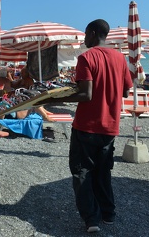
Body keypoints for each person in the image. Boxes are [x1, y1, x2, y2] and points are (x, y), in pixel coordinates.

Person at [35, 19, 133, 233]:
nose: (84, 39)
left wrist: (49, 99)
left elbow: (86, 94)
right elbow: (125, 91)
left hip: (87, 126)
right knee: (103, 171)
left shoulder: (87, 57)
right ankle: (108, 213)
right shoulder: (120, 58)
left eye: (86, 34)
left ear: (94, 33)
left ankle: (92, 220)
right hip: (110, 126)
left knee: (82, 172)